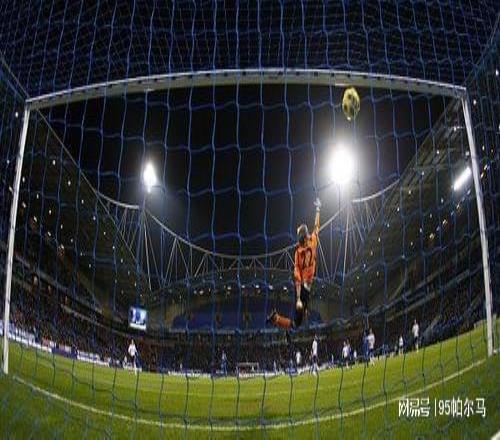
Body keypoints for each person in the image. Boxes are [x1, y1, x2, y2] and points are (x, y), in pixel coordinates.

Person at [268, 198, 321, 330]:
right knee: (296, 324)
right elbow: (316, 227)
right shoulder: (313, 242)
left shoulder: (298, 252)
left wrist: (300, 299)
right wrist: (318, 209)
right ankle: (276, 318)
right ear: (306, 236)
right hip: (303, 290)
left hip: (304, 289)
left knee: (299, 321)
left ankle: (278, 318)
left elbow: (297, 277)